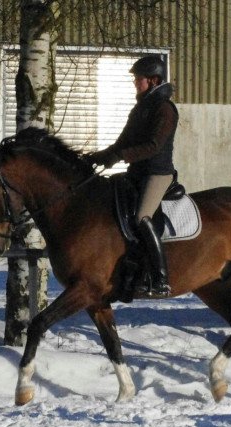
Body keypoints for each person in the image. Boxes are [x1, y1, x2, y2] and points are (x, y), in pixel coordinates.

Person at [87, 55, 178, 297]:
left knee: (141, 217)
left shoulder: (165, 109)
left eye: (139, 79)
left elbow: (153, 146)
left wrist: (120, 157)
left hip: (157, 173)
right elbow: (122, 142)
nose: (135, 83)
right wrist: (97, 157)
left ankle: (160, 278)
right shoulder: (140, 109)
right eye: (136, 79)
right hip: (136, 173)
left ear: (153, 80)